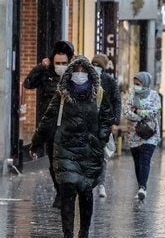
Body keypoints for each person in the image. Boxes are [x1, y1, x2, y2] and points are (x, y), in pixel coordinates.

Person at [29, 56, 111, 238]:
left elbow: (107, 118)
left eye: (83, 71)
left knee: (85, 192)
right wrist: (35, 143)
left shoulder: (98, 94)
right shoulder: (62, 94)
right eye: (76, 71)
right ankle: (68, 234)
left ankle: (84, 232)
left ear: (89, 74)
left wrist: (101, 139)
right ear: (70, 73)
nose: (79, 75)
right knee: (67, 190)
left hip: (90, 150)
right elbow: (47, 119)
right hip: (66, 148)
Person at [23, 40, 74, 208]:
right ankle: (60, 192)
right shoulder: (46, 73)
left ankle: (67, 193)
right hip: (51, 126)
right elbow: (28, 83)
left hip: (69, 127)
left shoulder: (74, 75)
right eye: (57, 63)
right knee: (53, 162)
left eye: (64, 63)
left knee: (67, 162)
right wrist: (40, 66)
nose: (60, 66)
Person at [124, 72, 161, 201]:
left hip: (150, 134)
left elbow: (155, 111)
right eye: (134, 84)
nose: (136, 86)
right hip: (133, 134)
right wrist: (140, 115)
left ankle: (143, 188)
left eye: (138, 84)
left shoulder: (155, 95)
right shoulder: (131, 95)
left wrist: (138, 111)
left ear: (145, 83)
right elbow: (126, 112)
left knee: (145, 159)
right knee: (138, 162)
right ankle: (140, 186)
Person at [91, 54, 121, 199]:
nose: (95, 68)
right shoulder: (86, 79)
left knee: (102, 155)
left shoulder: (109, 81)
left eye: (98, 66)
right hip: (88, 123)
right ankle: (90, 182)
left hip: (103, 123)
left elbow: (117, 101)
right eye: (93, 65)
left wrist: (115, 122)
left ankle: (101, 183)